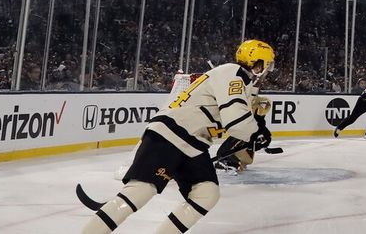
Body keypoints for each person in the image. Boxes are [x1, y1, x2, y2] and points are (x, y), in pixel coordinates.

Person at [79, 40, 274, 233]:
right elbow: (236, 120)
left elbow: (239, 113)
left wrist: (257, 118)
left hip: (192, 143)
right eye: (267, 65)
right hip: (172, 134)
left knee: (207, 193)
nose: (268, 70)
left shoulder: (239, 80)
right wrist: (256, 133)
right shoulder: (234, 72)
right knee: (141, 190)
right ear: (258, 62)